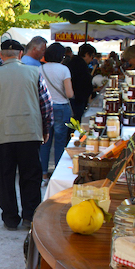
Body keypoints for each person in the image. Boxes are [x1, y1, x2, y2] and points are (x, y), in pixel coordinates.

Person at [0, 39, 53, 230]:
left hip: (4, 133)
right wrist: (46, 129)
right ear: (21, 54)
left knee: (5, 177)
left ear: (1, 56)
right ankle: (29, 216)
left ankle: (10, 218)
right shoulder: (34, 72)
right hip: (30, 131)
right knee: (31, 176)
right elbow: (46, 104)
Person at [39, 43, 74, 180]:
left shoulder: (39, 69)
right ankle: (57, 174)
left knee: (44, 141)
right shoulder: (64, 69)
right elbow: (69, 93)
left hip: (44, 107)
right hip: (61, 107)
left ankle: (43, 173)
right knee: (60, 142)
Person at [67, 43, 97, 121]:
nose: (92, 59)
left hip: (72, 99)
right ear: (87, 54)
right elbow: (85, 84)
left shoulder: (72, 62)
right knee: (77, 122)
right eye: (92, 56)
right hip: (77, 100)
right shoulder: (81, 65)